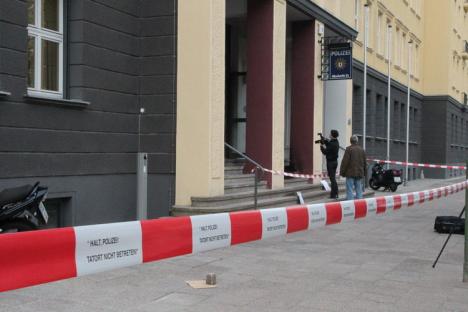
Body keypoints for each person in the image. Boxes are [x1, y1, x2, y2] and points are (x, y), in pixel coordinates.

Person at [340, 135, 367, 200]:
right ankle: (359, 203)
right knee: (359, 189)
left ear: (350, 141)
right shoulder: (362, 150)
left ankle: (350, 204)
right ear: (357, 141)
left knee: (350, 189)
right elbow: (364, 162)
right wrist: (365, 172)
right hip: (359, 172)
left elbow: (345, 162)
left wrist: (342, 172)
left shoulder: (349, 149)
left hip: (350, 173)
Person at [320, 130, 340, 199]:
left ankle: (334, 194)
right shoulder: (335, 142)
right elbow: (328, 143)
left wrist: (321, 146)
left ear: (332, 135)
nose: (329, 134)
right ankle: (335, 193)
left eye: (330, 133)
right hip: (334, 162)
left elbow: (325, 152)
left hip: (331, 163)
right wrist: (323, 138)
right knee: (333, 178)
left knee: (332, 179)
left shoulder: (332, 144)